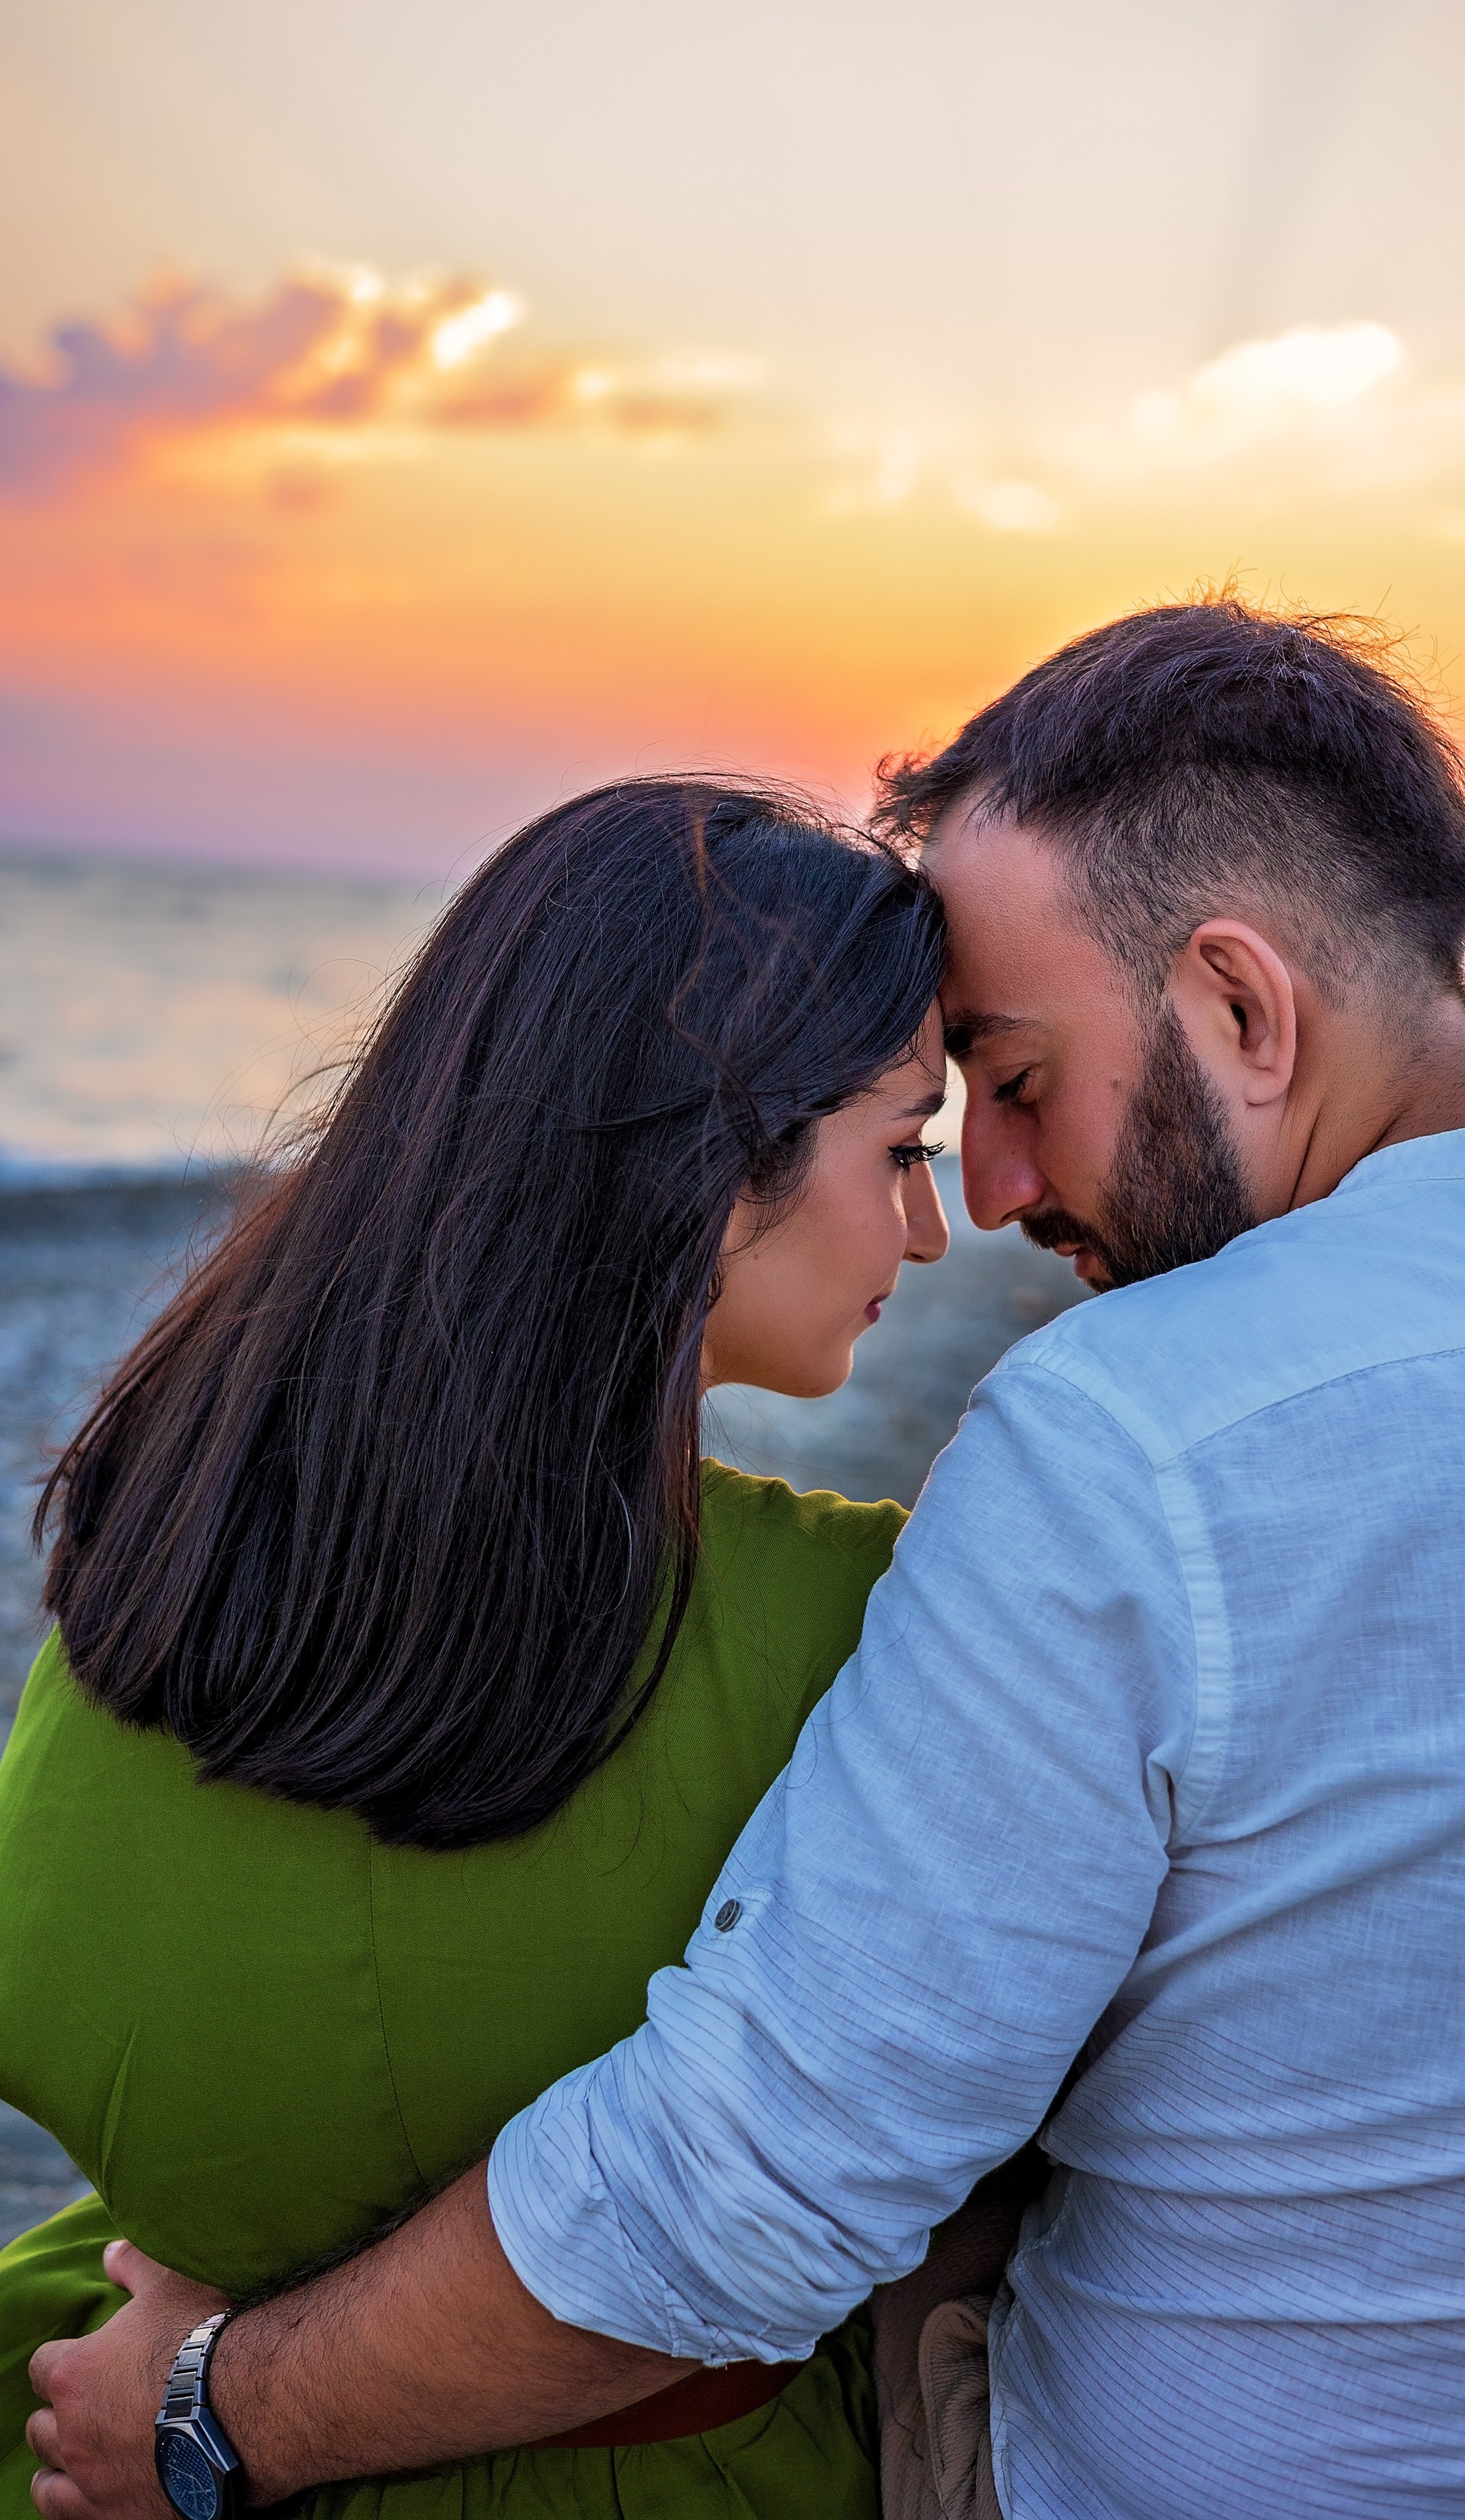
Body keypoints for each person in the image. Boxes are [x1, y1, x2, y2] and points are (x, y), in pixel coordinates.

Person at [30, 598, 1465, 2519]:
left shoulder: (1138, 1434)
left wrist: (221, 2412)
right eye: (933, 1123)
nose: (988, 1197)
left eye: (1018, 1079)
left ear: (1242, 1007)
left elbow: (751, 2188)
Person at [0, 775, 954, 2520]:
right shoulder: (867, 1626)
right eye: (903, 1147)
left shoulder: (163, 1538)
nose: (932, 1229)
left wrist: (233, 2309)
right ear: (711, 1146)